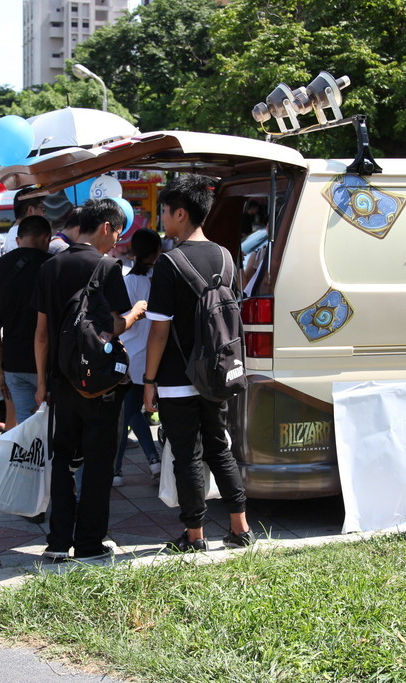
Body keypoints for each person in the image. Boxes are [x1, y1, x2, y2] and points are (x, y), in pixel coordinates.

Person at [142, 174, 254, 553]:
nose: (163, 221)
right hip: (219, 371)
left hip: (178, 375)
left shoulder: (169, 263)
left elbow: (158, 331)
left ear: (180, 213)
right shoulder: (225, 255)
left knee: (187, 453)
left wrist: (148, 379)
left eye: (165, 213)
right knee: (218, 446)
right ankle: (240, 527)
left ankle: (194, 536)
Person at [34, 198, 146, 561]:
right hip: (98, 384)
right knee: (98, 460)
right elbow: (112, 328)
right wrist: (136, 314)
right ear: (106, 227)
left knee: (63, 458)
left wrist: (42, 382)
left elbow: (41, 334)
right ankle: (89, 544)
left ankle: (56, 541)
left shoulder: (50, 266)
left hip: (61, 380)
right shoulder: (108, 266)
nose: (116, 241)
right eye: (117, 232)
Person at [0, 215, 52, 426]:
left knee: (25, 426)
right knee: (52, 426)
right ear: (47, 238)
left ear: (18, 239)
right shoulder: (52, 266)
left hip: (14, 361)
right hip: (49, 362)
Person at [113, 228, 162, 487]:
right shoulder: (161, 280)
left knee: (128, 413)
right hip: (156, 360)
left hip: (130, 359)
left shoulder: (126, 282)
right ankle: (154, 461)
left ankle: (117, 470)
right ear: (157, 252)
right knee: (133, 413)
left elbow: (121, 322)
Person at [2, 189, 46, 254]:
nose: (44, 214)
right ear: (30, 210)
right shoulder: (25, 237)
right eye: (42, 209)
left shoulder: (14, 233)